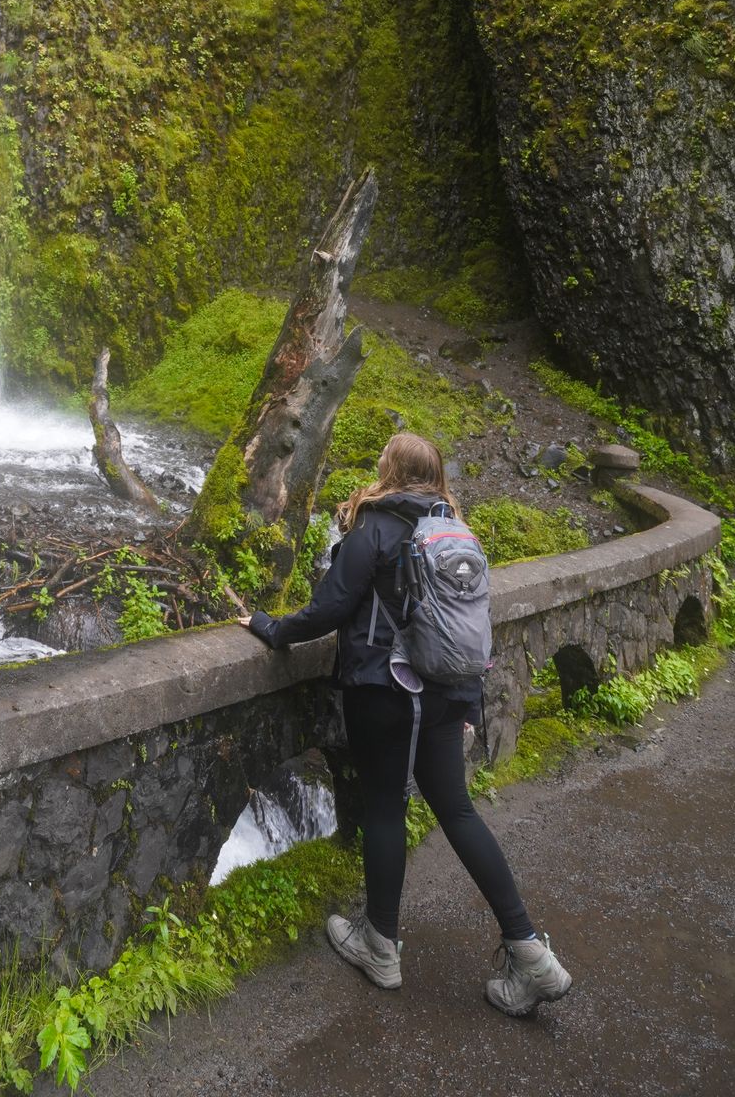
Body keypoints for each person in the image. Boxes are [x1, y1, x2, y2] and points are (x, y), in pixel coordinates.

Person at [238, 431, 572, 1016]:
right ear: (436, 475)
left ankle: (380, 946)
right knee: (459, 810)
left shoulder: (375, 528)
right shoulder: (456, 534)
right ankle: (532, 956)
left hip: (386, 694)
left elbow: (329, 609)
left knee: (386, 808)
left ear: (388, 469)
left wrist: (269, 627)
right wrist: (469, 705)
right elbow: (471, 628)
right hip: (447, 694)